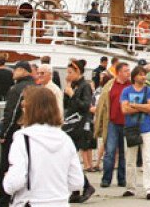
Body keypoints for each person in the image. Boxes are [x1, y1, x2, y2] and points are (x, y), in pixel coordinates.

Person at [3, 86, 84, 206]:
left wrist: (7, 179)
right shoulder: (65, 139)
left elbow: (15, 182)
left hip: (31, 202)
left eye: (24, 107)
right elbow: (77, 182)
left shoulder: (23, 139)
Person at [0, 61, 36, 207]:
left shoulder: (17, 89)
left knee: (7, 165)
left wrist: (4, 133)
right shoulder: (37, 87)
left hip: (17, 132)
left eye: (15, 70)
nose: (13, 73)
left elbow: (11, 113)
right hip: (35, 132)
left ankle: (4, 199)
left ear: (23, 71)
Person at [121, 65, 150, 200]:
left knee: (147, 159)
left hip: (146, 128)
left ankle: (149, 188)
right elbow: (124, 109)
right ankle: (130, 186)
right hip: (131, 128)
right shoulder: (126, 91)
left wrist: (134, 105)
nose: (143, 77)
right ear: (135, 76)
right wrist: (143, 108)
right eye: (141, 74)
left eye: (144, 74)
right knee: (130, 159)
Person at [64, 59, 96, 203]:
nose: (68, 75)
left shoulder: (85, 86)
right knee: (70, 159)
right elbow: (67, 105)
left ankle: (85, 185)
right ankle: (76, 189)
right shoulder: (74, 86)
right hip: (70, 124)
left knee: (71, 158)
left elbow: (85, 106)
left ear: (78, 72)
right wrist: (67, 91)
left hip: (80, 125)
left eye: (70, 72)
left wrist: (72, 95)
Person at [94, 62, 130, 188]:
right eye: (126, 71)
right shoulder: (110, 86)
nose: (128, 73)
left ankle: (122, 178)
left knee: (124, 153)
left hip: (126, 123)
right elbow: (103, 104)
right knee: (109, 151)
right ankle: (106, 178)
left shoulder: (131, 86)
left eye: (128, 70)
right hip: (112, 122)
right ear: (119, 72)